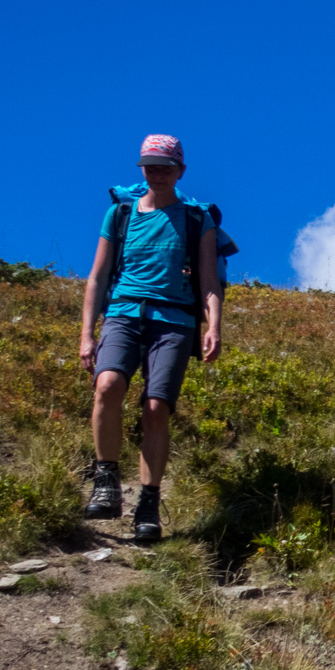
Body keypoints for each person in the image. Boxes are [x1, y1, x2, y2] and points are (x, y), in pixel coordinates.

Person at [78, 134, 224, 542]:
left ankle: (147, 502)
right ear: (141, 169)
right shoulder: (120, 214)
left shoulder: (198, 219)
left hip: (174, 322)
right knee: (107, 385)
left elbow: (209, 282)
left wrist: (213, 327)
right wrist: (87, 334)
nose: (157, 173)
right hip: (123, 314)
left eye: (165, 166)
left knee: (157, 407)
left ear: (180, 170)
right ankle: (106, 482)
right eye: (149, 166)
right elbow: (99, 276)